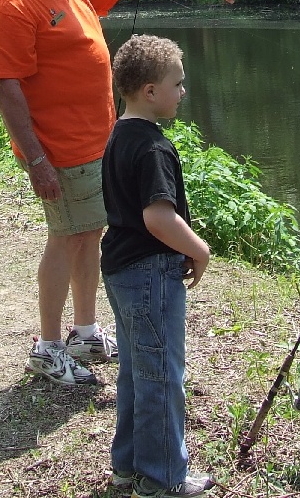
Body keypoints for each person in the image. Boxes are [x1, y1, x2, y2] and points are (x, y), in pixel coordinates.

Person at [0, 0, 248, 386]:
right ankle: (46, 346)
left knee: (89, 234)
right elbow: (7, 84)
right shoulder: (14, 0)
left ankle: (83, 330)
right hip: (58, 150)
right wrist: (38, 159)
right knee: (67, 238)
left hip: (94, 145)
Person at [102, 35, 212, 497]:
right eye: (177, 84)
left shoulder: (119, 135)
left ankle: (127, 465)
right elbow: (157, 216)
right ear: (150, 91)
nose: (182, 92)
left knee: (135, 370)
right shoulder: (152, 148)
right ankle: (162, 476)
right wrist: (199, 249)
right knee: (161, 375)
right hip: (150, 275)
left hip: (121, 272)